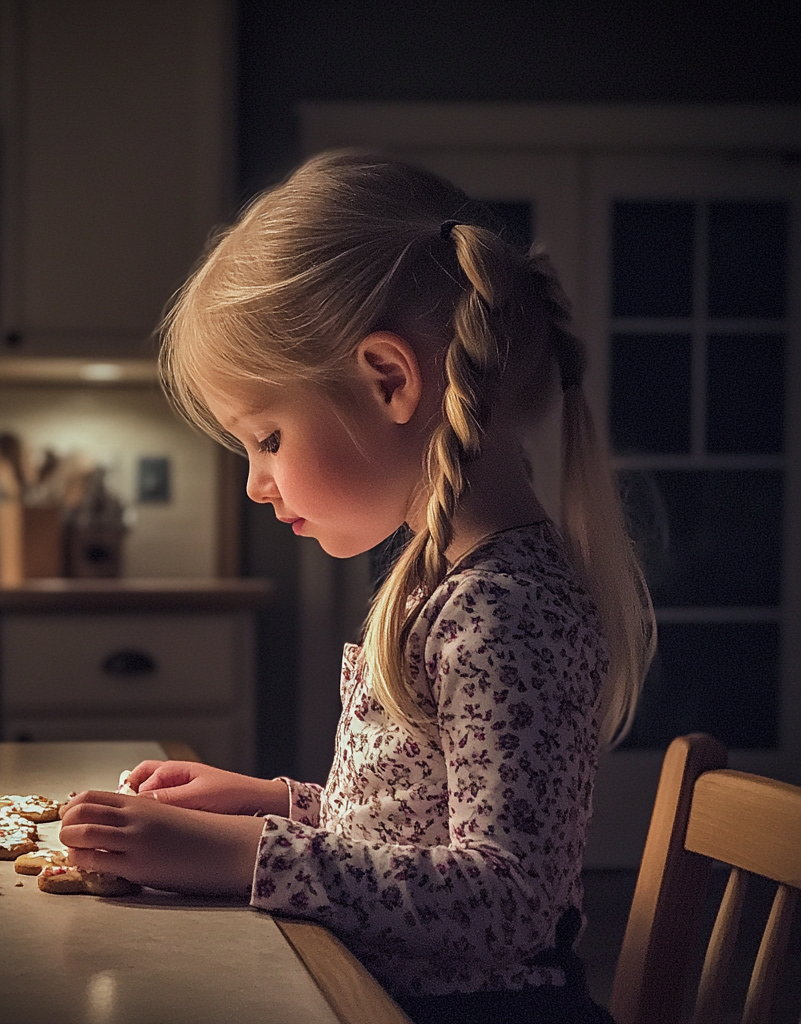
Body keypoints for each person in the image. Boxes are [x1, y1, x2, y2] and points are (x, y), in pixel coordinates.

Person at [60, 152, 655, 1024]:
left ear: (389, 381)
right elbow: (407, 829)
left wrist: (243, 853)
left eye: (265, 437)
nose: (257, 484)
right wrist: (275, 801)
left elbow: (504, 900)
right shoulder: (446, 583)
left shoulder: (506, 608)